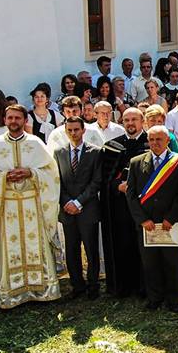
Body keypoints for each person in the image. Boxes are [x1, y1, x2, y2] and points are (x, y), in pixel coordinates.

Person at [0, 105, 62, 309]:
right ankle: (14, 292)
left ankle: (42, 289)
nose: (13, 121)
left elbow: (52, 174)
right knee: (10, 246)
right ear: (5, 120)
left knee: (37, 243)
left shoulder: (35, 143)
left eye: (17, 118)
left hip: (33, 204)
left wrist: (31, 173)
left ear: (25, 120)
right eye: (10, 117)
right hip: (7, 206)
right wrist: (4, 176)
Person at [125, 125, 178, 312]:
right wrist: (142, 219)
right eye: (151, 139)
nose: (154, 143)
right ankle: (154, 298)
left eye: (159, 139)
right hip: (147, 225)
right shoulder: (136, 162)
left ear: (168, 140)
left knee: (172, 262)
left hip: (170, 223)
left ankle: (173, 300)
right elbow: (130, 194)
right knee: (150, 262)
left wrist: (171, 218)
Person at [100, 107, 149, 298]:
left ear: (142, 121)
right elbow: (103, 179)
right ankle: (123, 286)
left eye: (134, 119)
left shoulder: (152, 143)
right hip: (120, 207)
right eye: (126, 120)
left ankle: (145, 286)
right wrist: (116, 187)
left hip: (145, 207)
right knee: (123, 244)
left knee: (143, 246)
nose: (130, 123)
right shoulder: (112, 146)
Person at [54, 116, 104, 299]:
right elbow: (57, 181)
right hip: (67, 209)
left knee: (91, 248)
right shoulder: (59, 152)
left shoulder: (95, 152)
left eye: (76, 129)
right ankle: (77, 285)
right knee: (72, 249)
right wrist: (67, 202)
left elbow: (97, 181)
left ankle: (93, 285)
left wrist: (79, 202)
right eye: (70, 130)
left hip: (87, 208)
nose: (73, 133)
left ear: (83, 130)